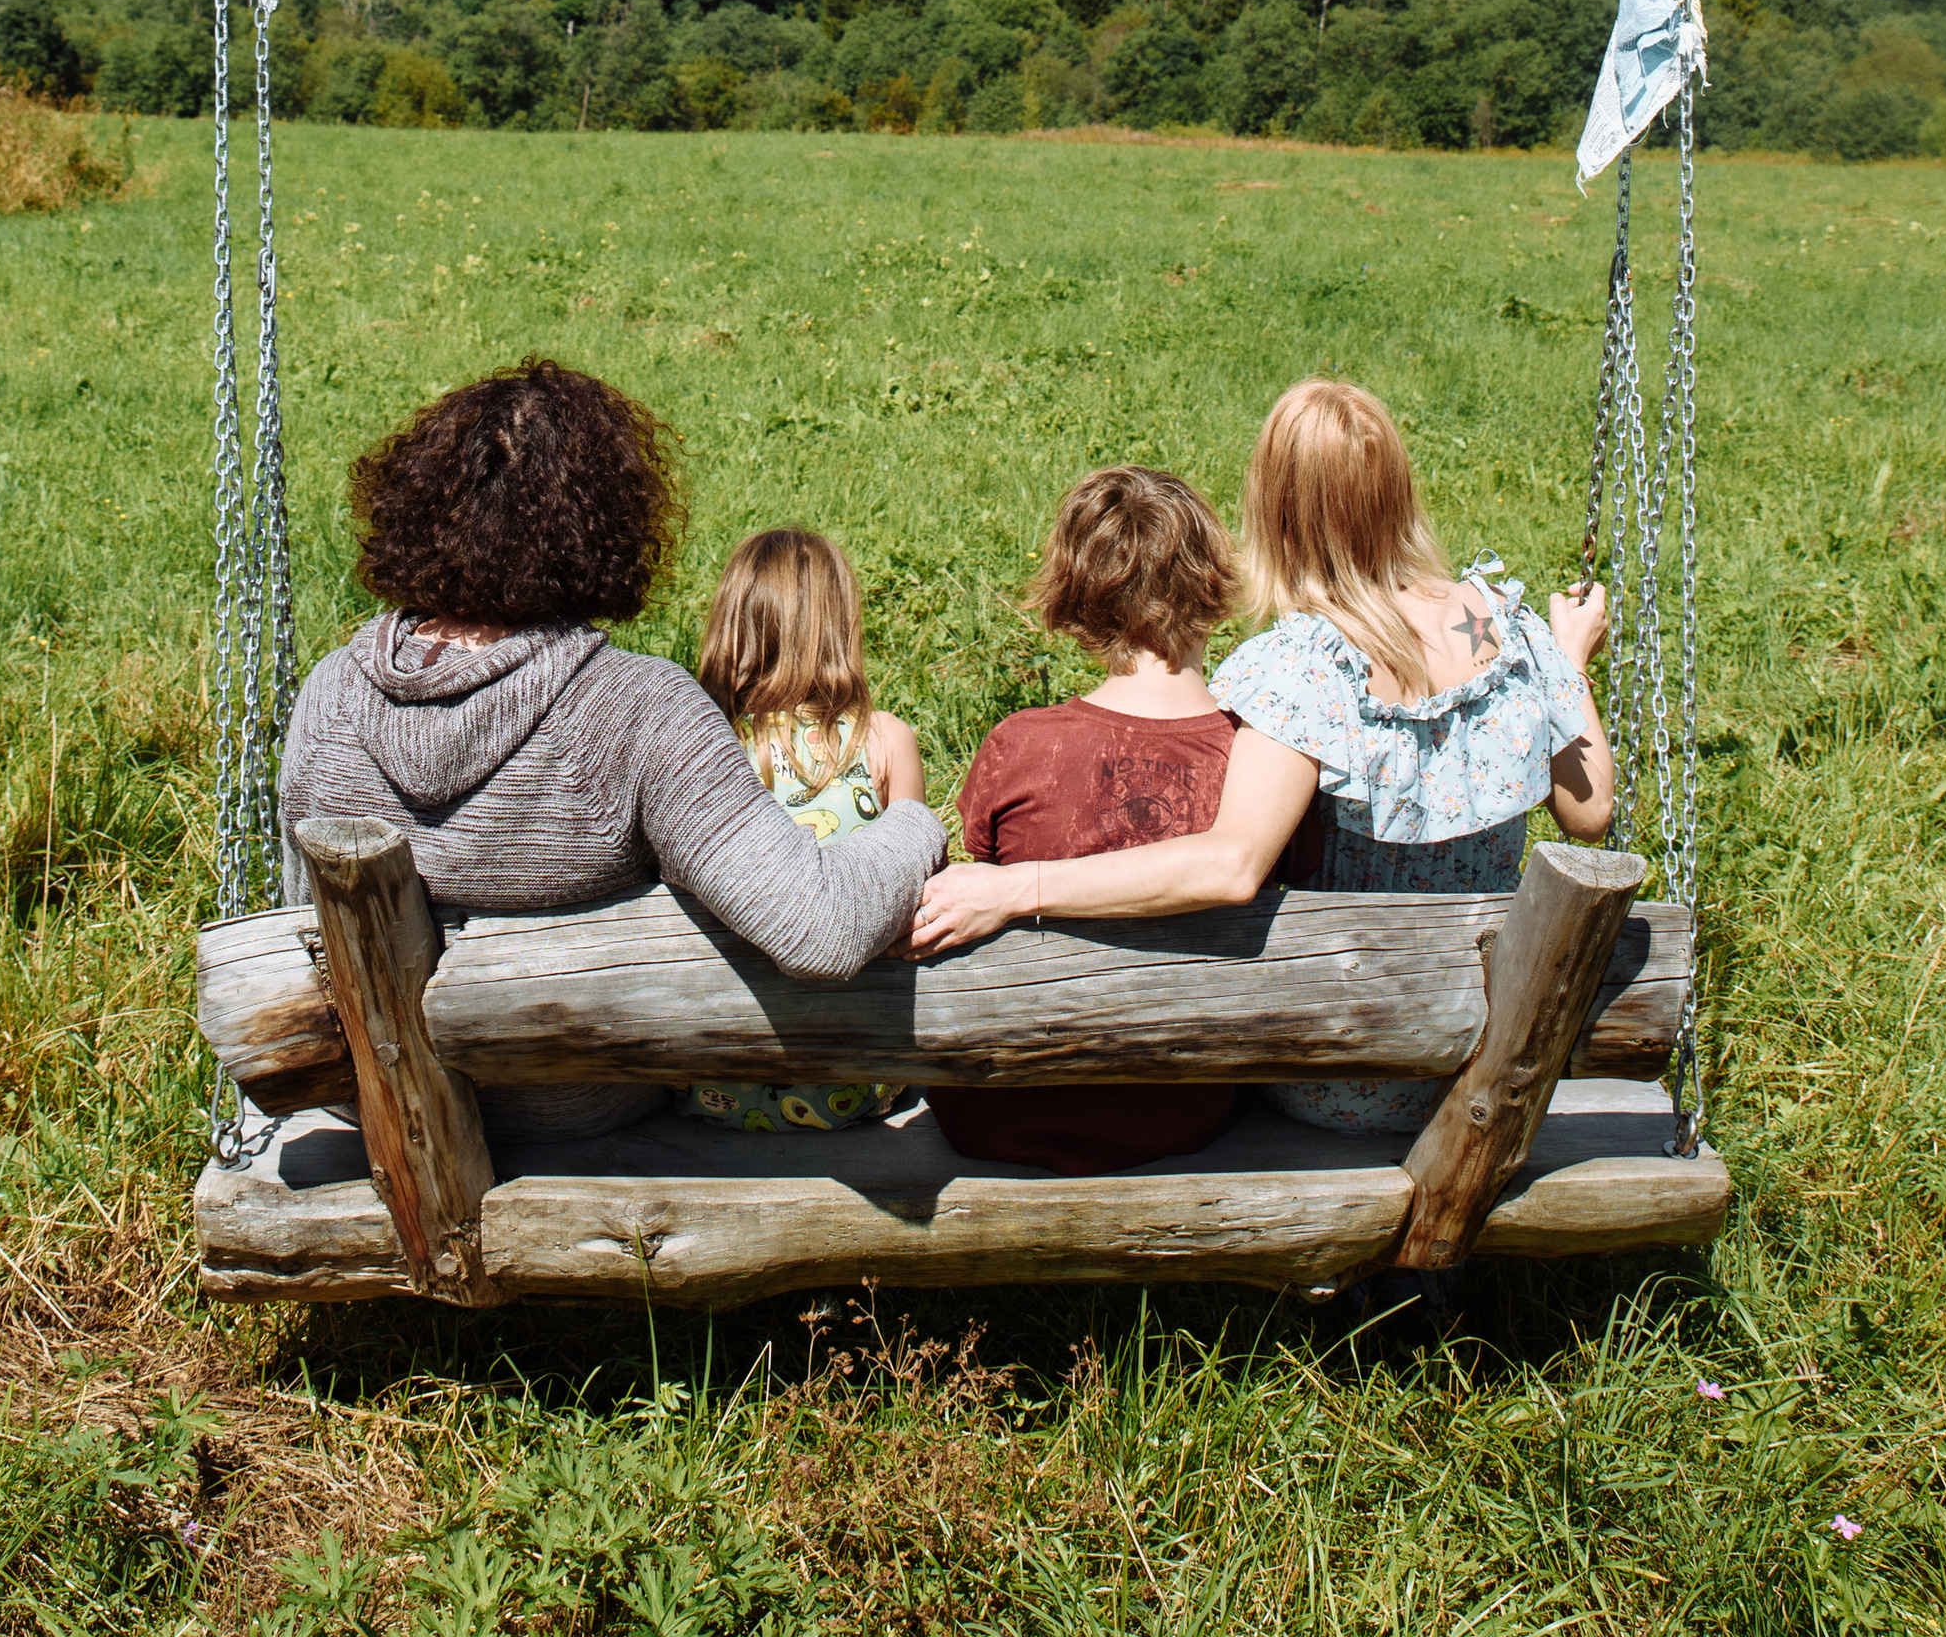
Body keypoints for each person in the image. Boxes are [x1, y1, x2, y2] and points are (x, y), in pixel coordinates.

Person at [909, 381, 1614, 1139]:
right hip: (1489, 1042)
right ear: (1399, 491)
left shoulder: (1301, 669)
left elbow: (1232, 864)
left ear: (1275, 509)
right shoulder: (1501, 628)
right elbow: (1590, 812)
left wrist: (1020, 887)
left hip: (1347, 1061)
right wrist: (1567, 664)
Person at [277, 363, 944, 1149]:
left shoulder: (328, 698)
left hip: (381, 1111)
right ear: (604, 524)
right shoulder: (633, 709)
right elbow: (821, 926)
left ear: (418, 510)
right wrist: (914, 824)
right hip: (578, 1120)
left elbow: (300, 930)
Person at [926, 465, 1303, 1177]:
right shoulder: (1264, 765)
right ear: (1212, 583)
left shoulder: (1019, 747)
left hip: (1001, 1105)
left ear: (1078, 593)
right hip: (1178, 1111)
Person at [675, 526, 926, 1136]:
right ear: (840, 625)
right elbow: (918, 882)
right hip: (858, 1081)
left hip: (715, 1078)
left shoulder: (710, 744)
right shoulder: (883, 740)